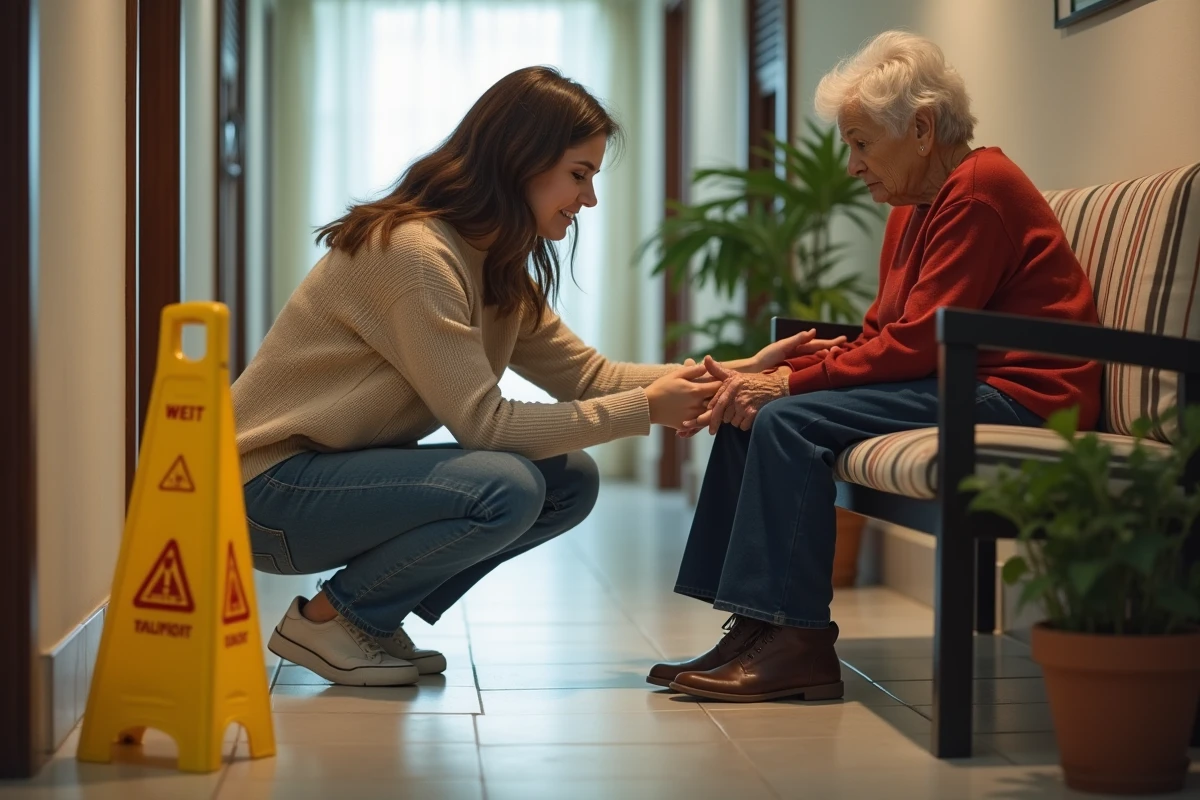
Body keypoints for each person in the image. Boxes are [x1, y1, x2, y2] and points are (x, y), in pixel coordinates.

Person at [233, 66, 841, 687]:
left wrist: (738, 373)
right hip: (265, 493)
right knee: (506, 485)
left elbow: (591, 376)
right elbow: (484, 426)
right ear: (520, 160)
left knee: (567, 480)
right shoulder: (415, 253)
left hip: (321, 485)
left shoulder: (492, 266)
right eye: (579, 175)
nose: (590, 199)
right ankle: (331, 618)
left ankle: (368, 618)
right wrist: (645, 411)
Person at [649, 31, 1103, 702]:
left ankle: (799, 641)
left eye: (862, 143)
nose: (853, 164)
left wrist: (792, 382)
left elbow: (919, 344)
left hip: (1024, 396)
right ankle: (754, 628)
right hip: (961, 379)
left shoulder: (978, 190)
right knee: (761, 410)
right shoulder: (914, 207)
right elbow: (886, 332)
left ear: (921, 129)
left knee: (787, 420)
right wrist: (783, 374)